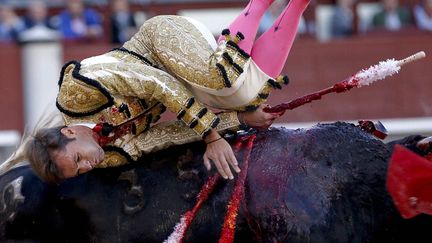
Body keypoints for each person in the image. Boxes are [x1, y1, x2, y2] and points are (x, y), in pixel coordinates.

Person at [23, 0, 310, 184]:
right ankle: (298, 5)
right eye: (81, 171)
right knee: (246, 96)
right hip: (182, 81)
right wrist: (240, 121)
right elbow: (165, 135)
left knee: (222, 79)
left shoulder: (76, 93)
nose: (88, 165)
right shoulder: (108, 156)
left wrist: (211, 136)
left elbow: (155, 83)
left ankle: (259, 3)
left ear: (69, 133)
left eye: (78, 159)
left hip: (161, 42)